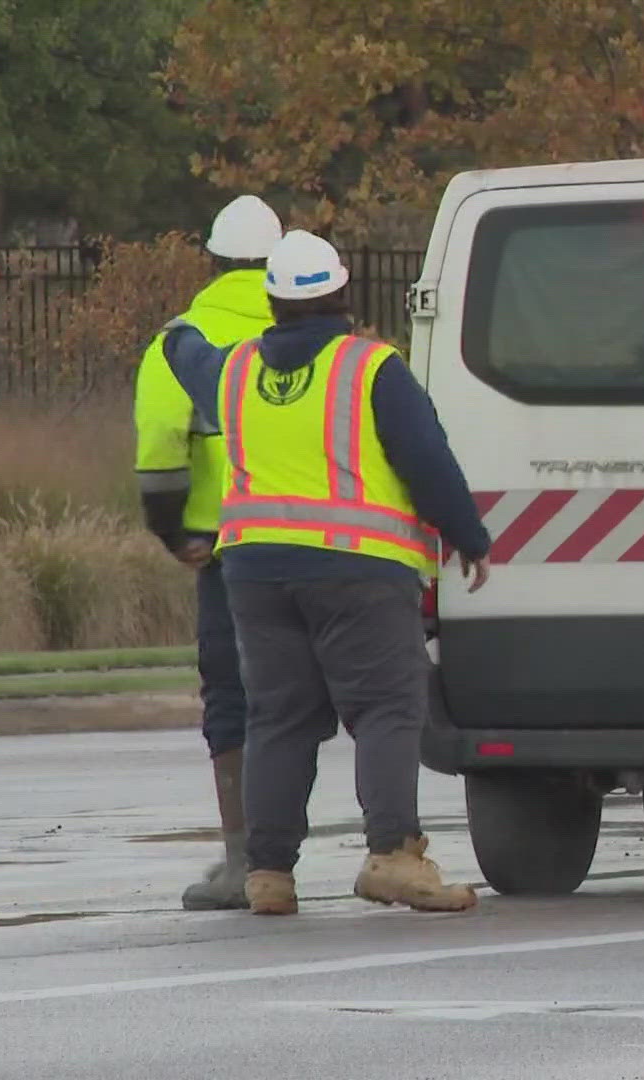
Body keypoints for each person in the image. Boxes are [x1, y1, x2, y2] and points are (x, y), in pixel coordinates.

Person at [160, 229, 492, 915]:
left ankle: (269, 874)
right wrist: (467, 536)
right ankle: (394, 855)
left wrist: (180, 326)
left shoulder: (233, 371)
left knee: (279, 718)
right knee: (386, 709)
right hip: (359, 571)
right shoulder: (372, 369)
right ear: (343, 295)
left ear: (273, 302)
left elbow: (180, 348)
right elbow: (426, 460)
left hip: (254, 572)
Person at [132, 194, 283, 910]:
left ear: (213, 261)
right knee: (311, 699)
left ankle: (247, 860)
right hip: (327, 544)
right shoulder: (318, 329)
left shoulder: (182, 339)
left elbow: (161, 451)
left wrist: (173, 530)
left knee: (232, 694)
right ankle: (378, 845)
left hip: (226, 550)